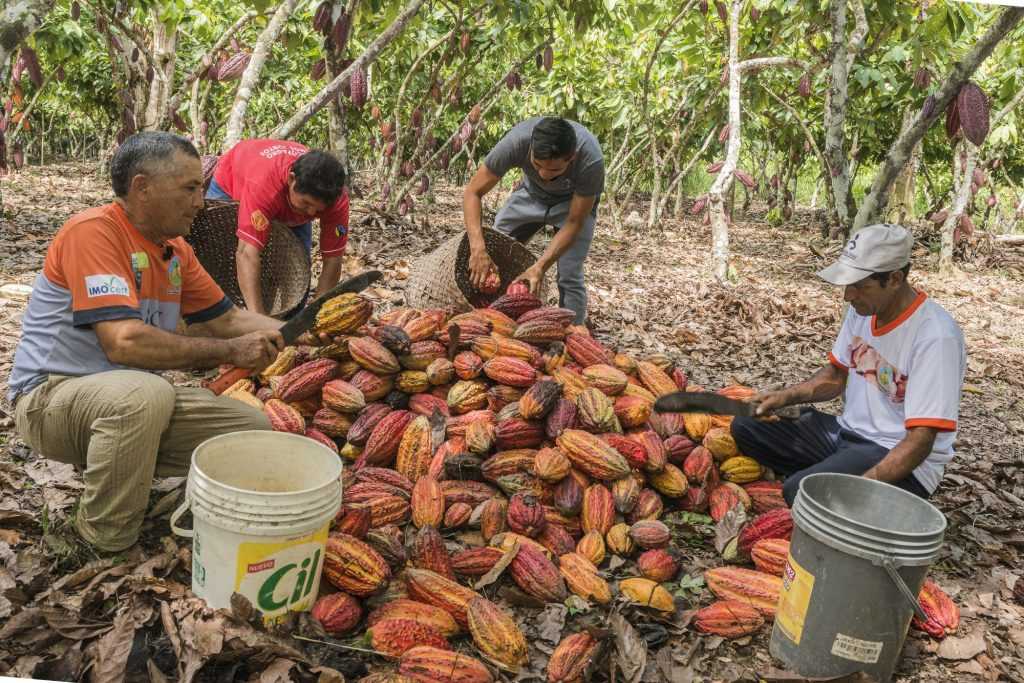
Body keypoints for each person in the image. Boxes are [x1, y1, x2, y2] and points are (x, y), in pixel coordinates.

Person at [8, 132, 289, 552]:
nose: (201, 201)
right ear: (142, 188)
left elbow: (227, 318)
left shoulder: (175, 250)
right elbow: (124, 344)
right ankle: (100, 540)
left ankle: (163, 493)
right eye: (190, 188)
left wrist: (308, 331)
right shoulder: (93, 233)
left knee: (252, 429)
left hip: (125, 402)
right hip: (50, 399)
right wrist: (231, 352)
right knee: (145, 393)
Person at [730, 224, 966, 506]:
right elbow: (835, 376)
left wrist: (863, 486)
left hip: (897, 456)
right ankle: (827, 477)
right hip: (846, 433)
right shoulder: (865, 310)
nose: (847, 296)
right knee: (746, 425)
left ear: (894, 279)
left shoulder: (936, 337)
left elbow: (920, 441)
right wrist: (783, 397)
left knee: (801, 493)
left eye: (859, 286)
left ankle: (829, 484)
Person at [463, 116, 604, 325]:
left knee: (569, 273)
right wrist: (477, 248)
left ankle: (574, 332)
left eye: (555, 170)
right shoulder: (516, 142)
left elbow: (574, 222)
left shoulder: (590, 160)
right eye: (537, 165)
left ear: (571, 157)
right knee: (495, 249)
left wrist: (539, 267)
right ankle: (491, 316)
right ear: (530, 150)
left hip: (571, 204)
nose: (545, 175)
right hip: (530, 195)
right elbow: (472, 192)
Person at [206, 139, 350, 315]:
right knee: (218, 256)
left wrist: (319, 316)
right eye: (306, 203)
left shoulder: (337, 201)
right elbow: (247, 253)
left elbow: (333, 260)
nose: (311, 213)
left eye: (318, 210)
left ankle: (289, 318)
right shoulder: (264, 183)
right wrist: (259, 322)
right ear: (291, 179)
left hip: (282, 201)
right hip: (231, 181)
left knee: (297, 270)